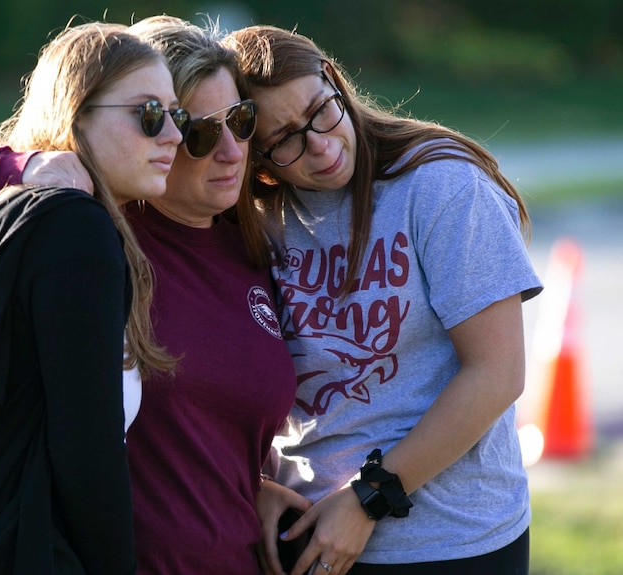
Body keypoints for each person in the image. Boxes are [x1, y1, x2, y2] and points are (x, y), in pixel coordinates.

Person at [0, 16, 298, 574]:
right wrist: (22, 165)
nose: (230, 150)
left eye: (240, 122)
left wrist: (256, 487)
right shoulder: (93, 226)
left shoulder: (255, 248)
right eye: (195, 128)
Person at [221, 25, 543, 575]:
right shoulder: (254, 218)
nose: (320, 145)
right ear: (257, 154)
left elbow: (497, 373)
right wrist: (258, 483)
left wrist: (369, 498)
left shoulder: (441, 185)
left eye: (321, 111)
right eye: (285, 139)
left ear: (334, 82)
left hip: (452, 544)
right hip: (306, 537)